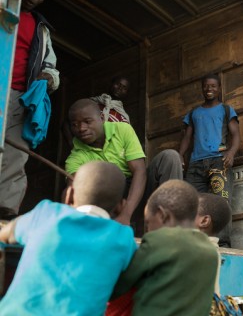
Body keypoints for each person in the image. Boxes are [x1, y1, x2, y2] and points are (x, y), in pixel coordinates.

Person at [0, 162, 137, 315]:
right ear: (121, 206)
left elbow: (4, 235)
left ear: (69, 195)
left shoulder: (46, 213)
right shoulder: (124, 239)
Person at [65, 99, 183, 228]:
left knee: (170, 157)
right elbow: (77, 195)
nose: (81, 128)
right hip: (111, 207)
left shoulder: (122, 129)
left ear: (102, 118)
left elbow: (140, 171)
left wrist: (126, 213)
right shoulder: (75, 158)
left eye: (87, 122)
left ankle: (171, 225)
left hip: (140, 193)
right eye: (75, 124)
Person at [110, 180, 218, 316]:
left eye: (148, 223)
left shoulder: (158, 240)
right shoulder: (211, 250)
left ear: (162, 214)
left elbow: (121, 285)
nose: (147, 231)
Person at [0, 0, 60, 215]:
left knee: (15, 155)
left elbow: (51, 67)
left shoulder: (40, 27)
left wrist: (47, 77)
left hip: (20, 98)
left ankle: (4, 214)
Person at [179, 74, 240, 246]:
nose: (209, 89)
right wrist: (180, 154)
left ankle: (223, 243)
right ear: (202, 88)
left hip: (218, 161)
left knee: (222, 201)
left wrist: (231, 153)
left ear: (219, 88)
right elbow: (186, 138)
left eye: (213, 86)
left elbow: (236, 135)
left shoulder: (226, 110)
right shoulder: (193, 113)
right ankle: (193, 242)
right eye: (206, 86)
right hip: (195, 164)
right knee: (191, 203)